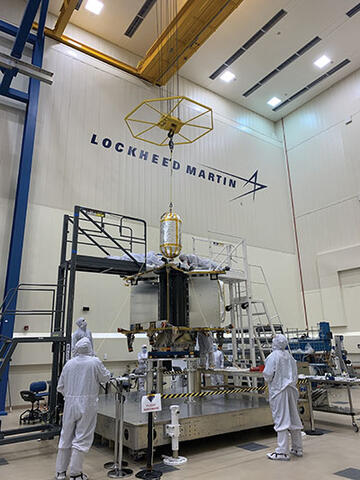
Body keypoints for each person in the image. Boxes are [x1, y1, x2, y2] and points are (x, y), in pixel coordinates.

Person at [55, 337, 111, 480]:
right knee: (82, 437)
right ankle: (75, 473)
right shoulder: (94, 362)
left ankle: (60, 472)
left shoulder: (69, 364)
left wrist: (71, 395)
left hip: (69, 403)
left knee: (65, 436)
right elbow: (105, 378)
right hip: (87, 404)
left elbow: (60, 387)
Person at [263, 334, 303, 461]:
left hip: (279, 390)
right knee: (294, 417)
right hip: (291, 389)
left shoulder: (273, 356)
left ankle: (282, 451)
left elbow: (268, 375)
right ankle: (297, 448)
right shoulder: (289, 356)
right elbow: (295, 374)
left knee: (281, 419)